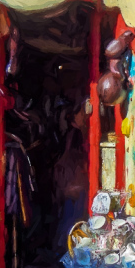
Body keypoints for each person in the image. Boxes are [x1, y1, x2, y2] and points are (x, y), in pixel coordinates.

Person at [53, 99, 90, 253]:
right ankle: (65, 248)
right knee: (72, 216)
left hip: (74, 183)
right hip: (75, 182)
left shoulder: (77, 133)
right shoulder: (75, 135)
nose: (85, 115)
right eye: (82, 112)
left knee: (71, 215)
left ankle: (64, 247)